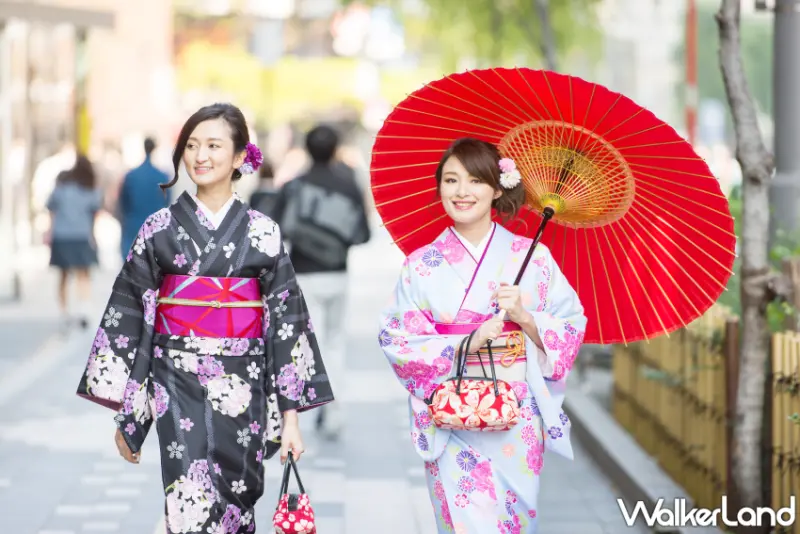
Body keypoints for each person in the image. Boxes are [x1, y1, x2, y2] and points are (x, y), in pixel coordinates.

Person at [75, 103, 334, 533]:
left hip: (245, 380)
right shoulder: (159, 228)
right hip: (176, 379)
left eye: (214, 146)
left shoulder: (263, 232)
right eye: (192, 145)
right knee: (187, 497)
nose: (200, 156)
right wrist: (130, 411)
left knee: (239, 500)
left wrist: (290, 418)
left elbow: (287, 325)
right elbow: (128, 313)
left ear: (239, 156)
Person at [377, 138, 586, 533]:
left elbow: (571, 323)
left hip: (515, 415)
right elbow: (395, 338)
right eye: (451, 180)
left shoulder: (534, 258)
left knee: (512, 522)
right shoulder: (421, 265)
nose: (461, 191)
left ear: (497, 189)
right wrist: (465, 343)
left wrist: (525, 317)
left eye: (475, 181)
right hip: (450, 412)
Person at [269, 124, 371, 439]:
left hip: (303, 274)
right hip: (337, 273)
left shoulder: (294, 186)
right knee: (335, 343)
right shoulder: (349, 186)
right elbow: (363, 234)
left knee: (305, 344)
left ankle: (297, 412)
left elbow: (276, 230)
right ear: (336, 149)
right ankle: (334, 411)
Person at [46, 155, 103, 331]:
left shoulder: (61, 188)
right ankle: (84, 310)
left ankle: (64, 313)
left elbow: (51, 210)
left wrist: (49, 232)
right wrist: (93, 235)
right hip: (81, 235)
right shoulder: (90, 189)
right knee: (83, 274)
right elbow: (94, 214)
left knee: (63, 276)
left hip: (61, 235)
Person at [117, 137, 172, 261]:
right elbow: (167, 203)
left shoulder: (131, 176)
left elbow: (123, 202)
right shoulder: (162, 176)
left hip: (133, 224)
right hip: (155, 226)